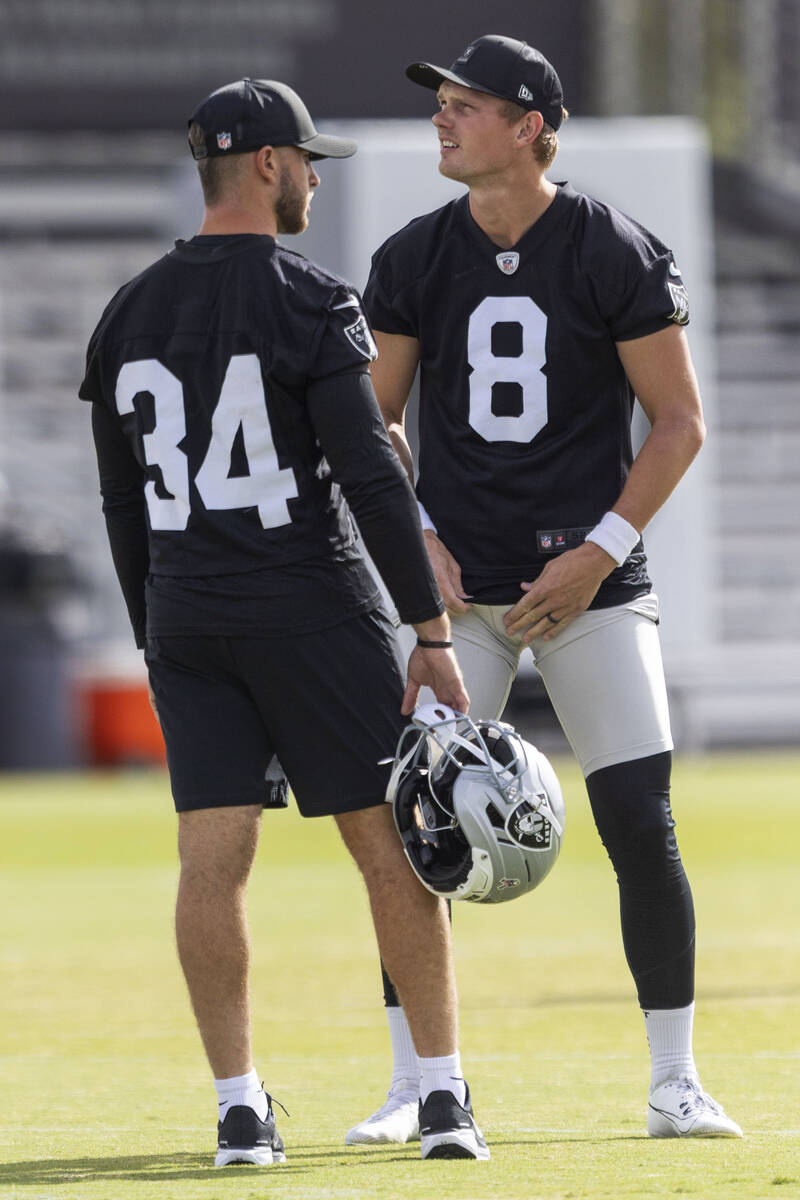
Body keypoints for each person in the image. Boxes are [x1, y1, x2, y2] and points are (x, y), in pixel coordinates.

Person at [79, 77, 491, 1164]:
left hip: (189, 619)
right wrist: (430, 630)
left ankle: (237, 1109)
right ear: (266, 164)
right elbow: (364, 471)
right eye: (306, 160)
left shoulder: (127, 308)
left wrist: (153, 625)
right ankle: (443, 1098)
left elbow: (122, 502)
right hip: (308, 605)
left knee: (209, 864)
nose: (313, 177)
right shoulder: (309, 297)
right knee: (393, 850)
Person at [345, 35, 742, 1145]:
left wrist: (599, 551)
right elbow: (374, 425)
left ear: (526, 125)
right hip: (456, 589)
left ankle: (674, 1081)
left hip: (589, 585)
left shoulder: (608, 245)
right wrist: (415, 536)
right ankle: (418, 1083)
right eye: (442, 106)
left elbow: (677, 422)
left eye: (464, 106)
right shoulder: (417, 254)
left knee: (637, 819)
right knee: (412, 830)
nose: (441, 121)